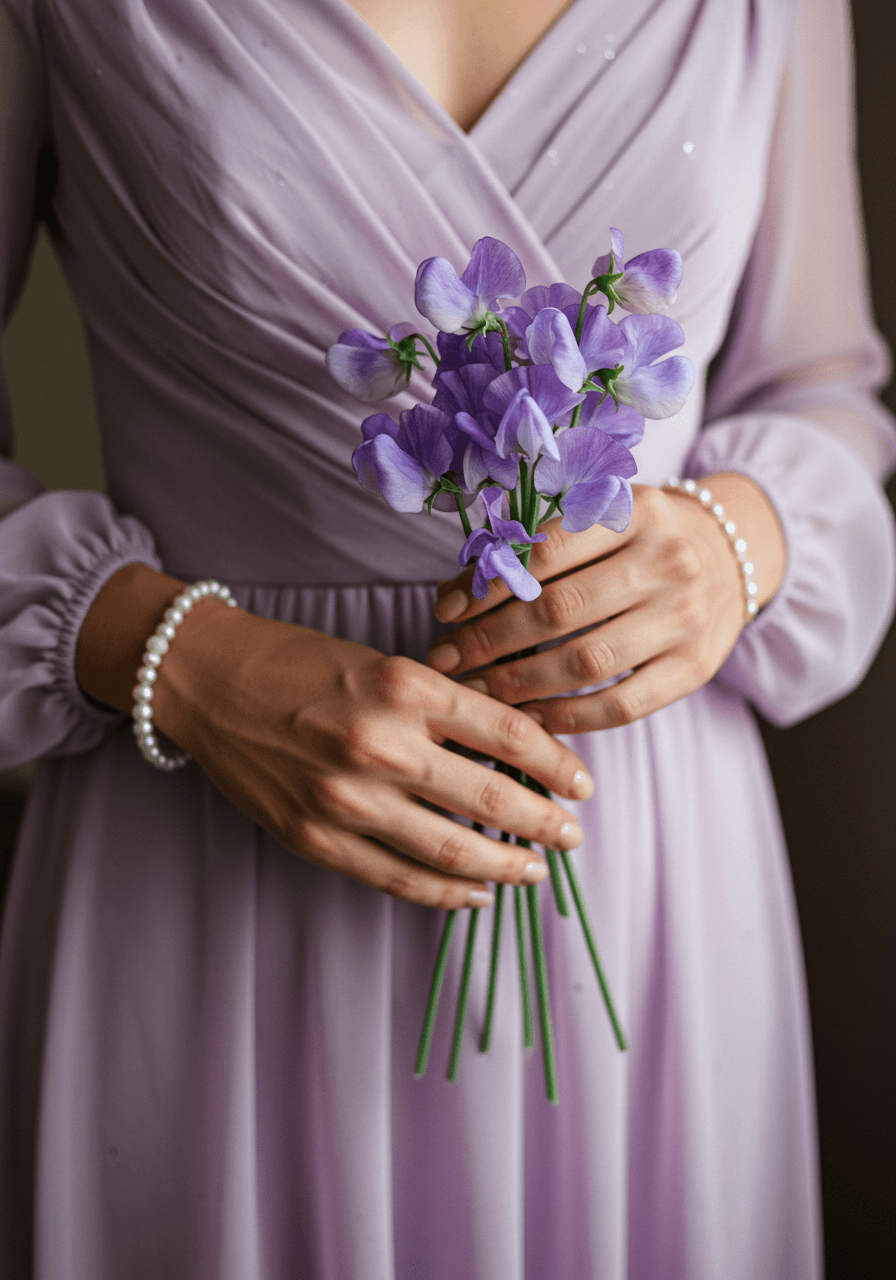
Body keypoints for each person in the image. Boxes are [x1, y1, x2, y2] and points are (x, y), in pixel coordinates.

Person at [1, 0, 893, 1276]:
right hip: (212, 846)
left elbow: (818, 388)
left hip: (639, 869)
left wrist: (731, 540)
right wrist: (177, 660)